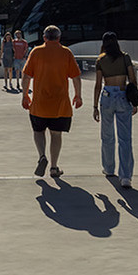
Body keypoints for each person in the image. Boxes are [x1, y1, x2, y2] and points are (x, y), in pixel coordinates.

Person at [21, 25, 83, 178]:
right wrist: (78, 95)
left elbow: (26, 76)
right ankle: (54, 167)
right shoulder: (66, 53)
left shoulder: (36, 52)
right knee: (56, 135)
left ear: (44, 37)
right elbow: (76, 77)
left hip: (39, 103)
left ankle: (42, 156)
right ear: (59, 38)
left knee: (38, 131)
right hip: (60, 104)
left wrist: (24, 95)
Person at [92, 31, 138, 188]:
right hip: (123, 95)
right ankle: (126, 176)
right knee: (125, 139)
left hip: (107, 96)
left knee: (107, 135)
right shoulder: (125, 57)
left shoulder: (100, 60)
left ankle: (109, 168)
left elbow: (98, 85)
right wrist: (134, 102)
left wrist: (95, 106)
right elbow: (132, 79)